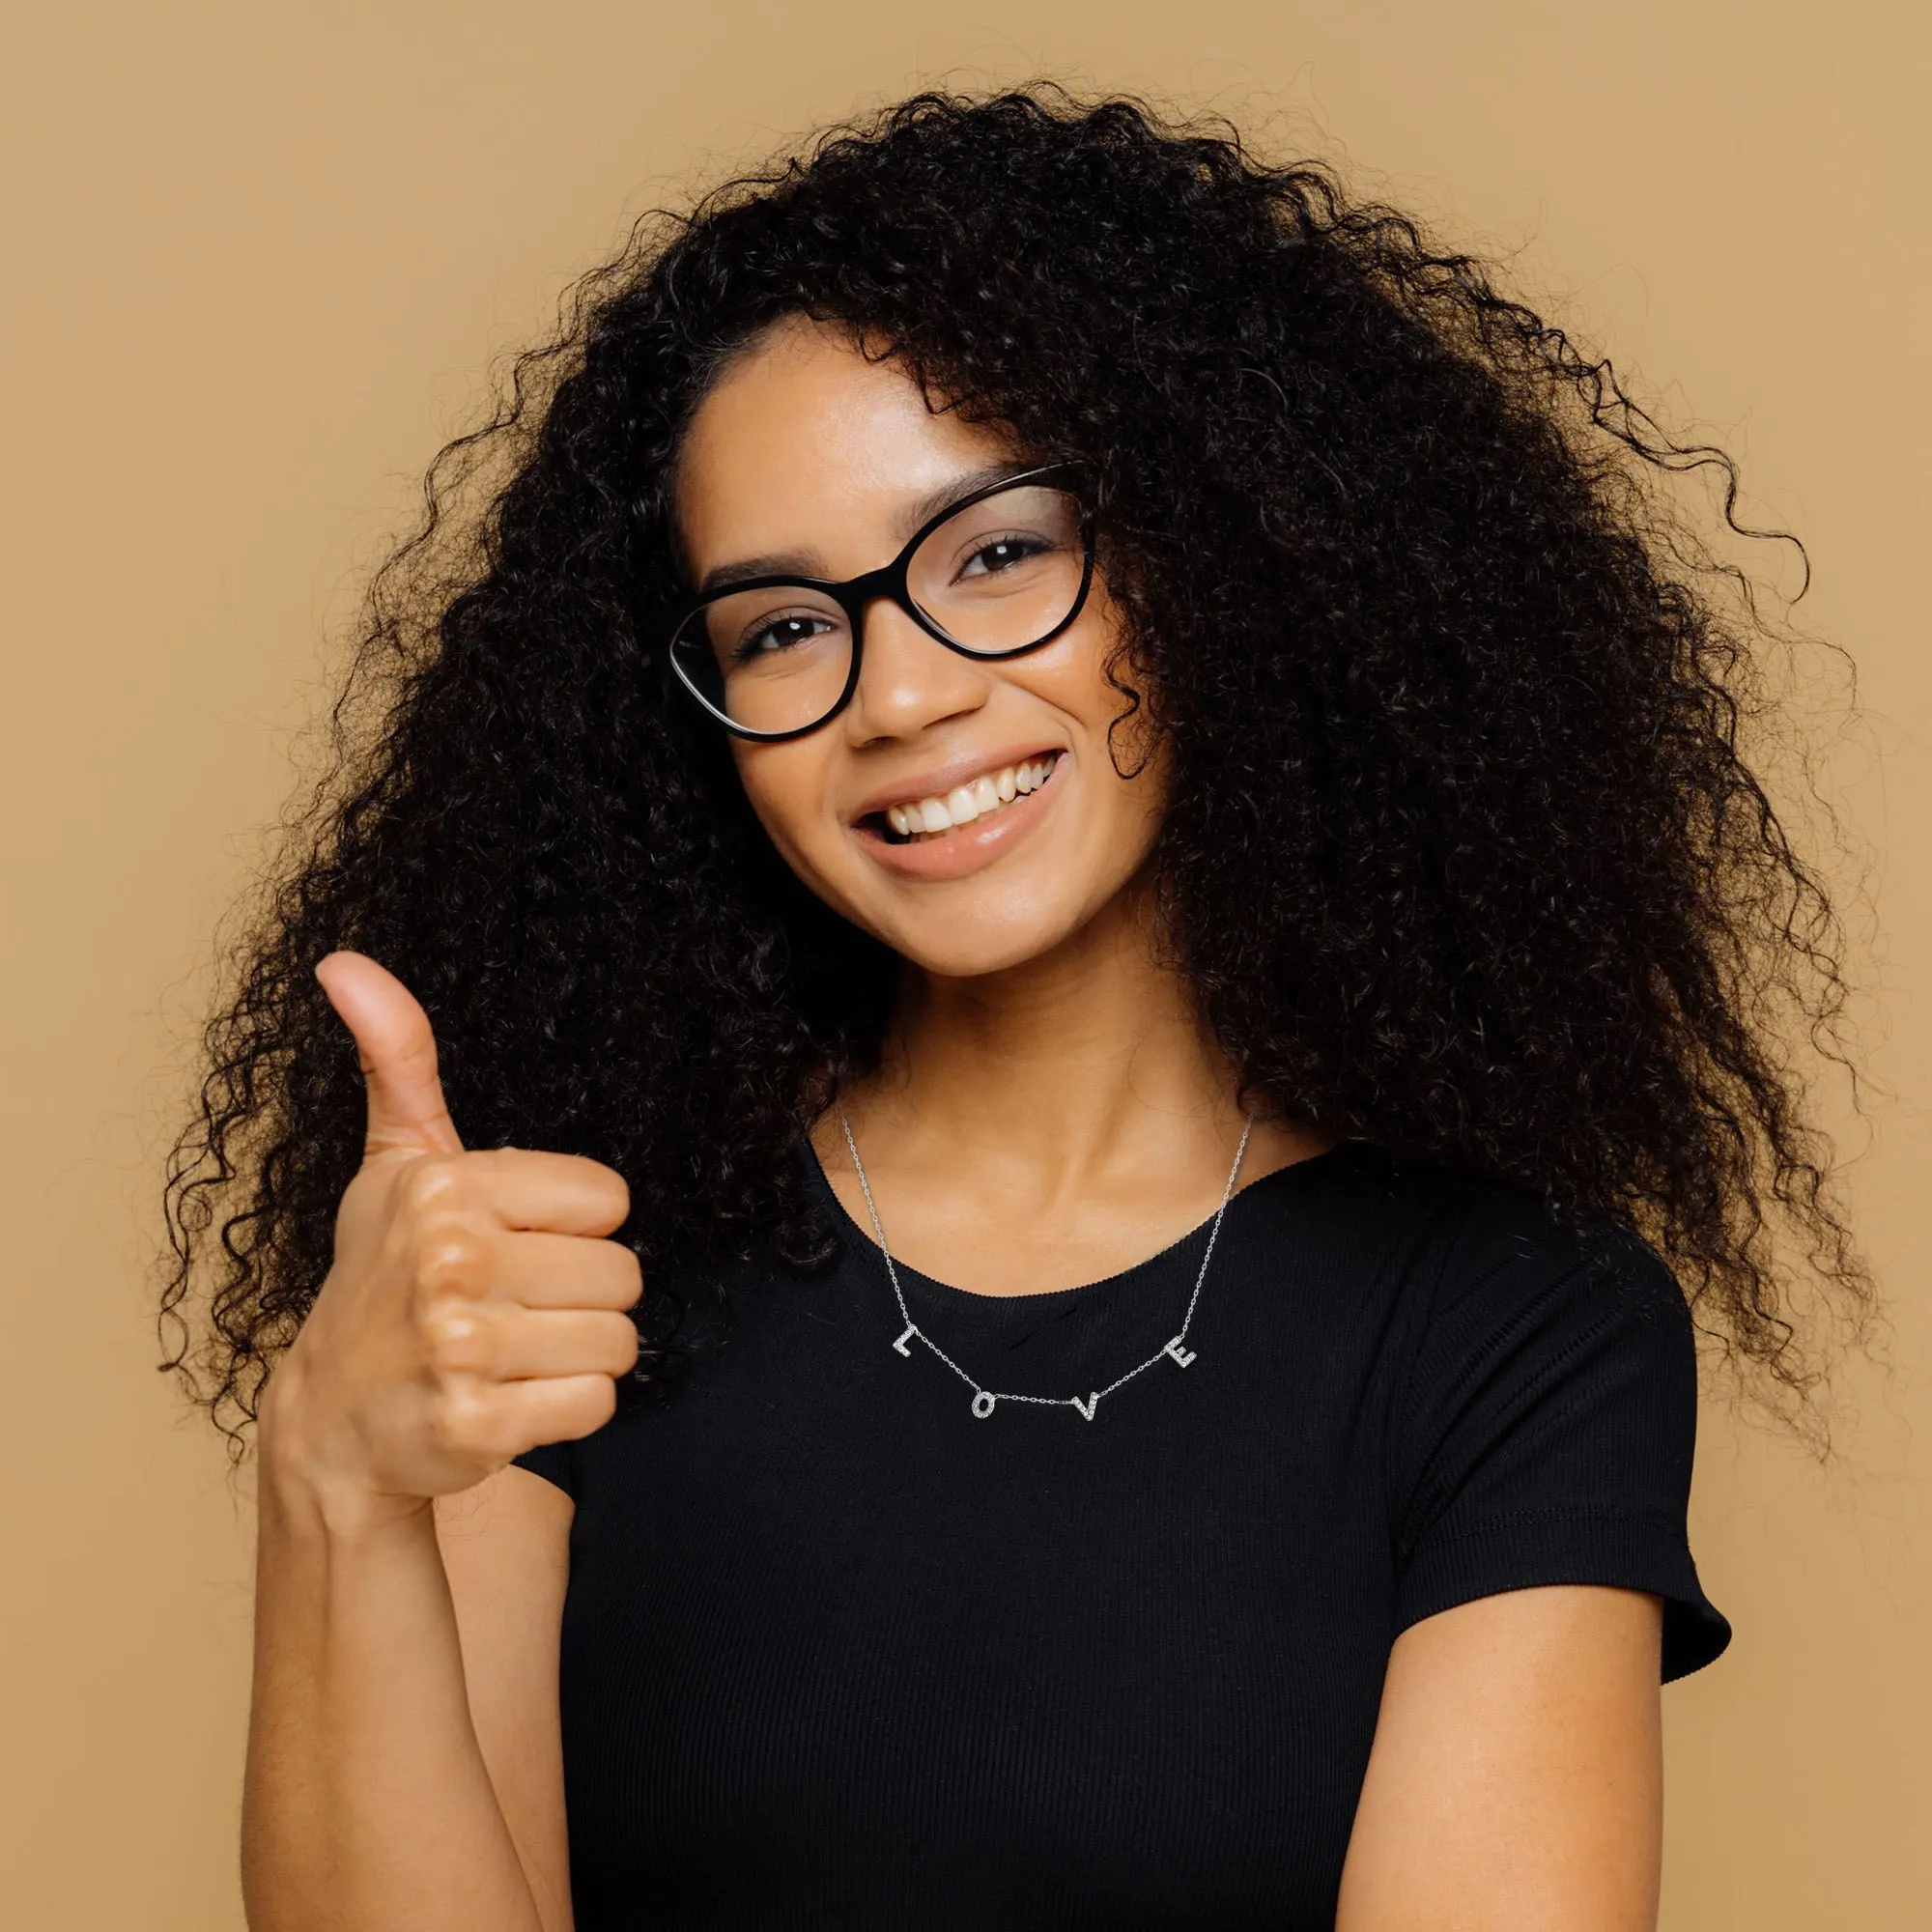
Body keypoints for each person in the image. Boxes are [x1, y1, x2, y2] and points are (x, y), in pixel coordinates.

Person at [161, 87, 1869, 1932]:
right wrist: (329, 1478)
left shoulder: (1513, 1330)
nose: (893, 695)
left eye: (994, 553)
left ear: (1225, 558)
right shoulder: (562, 1279)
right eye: (783, 627)